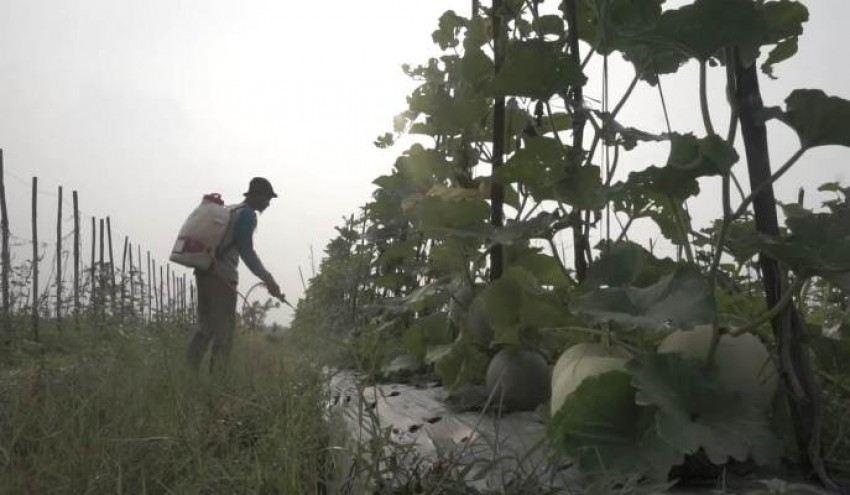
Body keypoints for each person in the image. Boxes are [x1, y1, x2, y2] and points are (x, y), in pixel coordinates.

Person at [187, 177, 284, 372]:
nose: (268, 203)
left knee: (205, 328)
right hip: (222, 277)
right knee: (224, 333)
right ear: (256, 196)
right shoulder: (247, 215)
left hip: (204, 271)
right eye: (267, 198)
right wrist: (268, 279)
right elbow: (247, 252)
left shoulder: (231, 210)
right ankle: (218, 383)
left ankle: (188, 374)